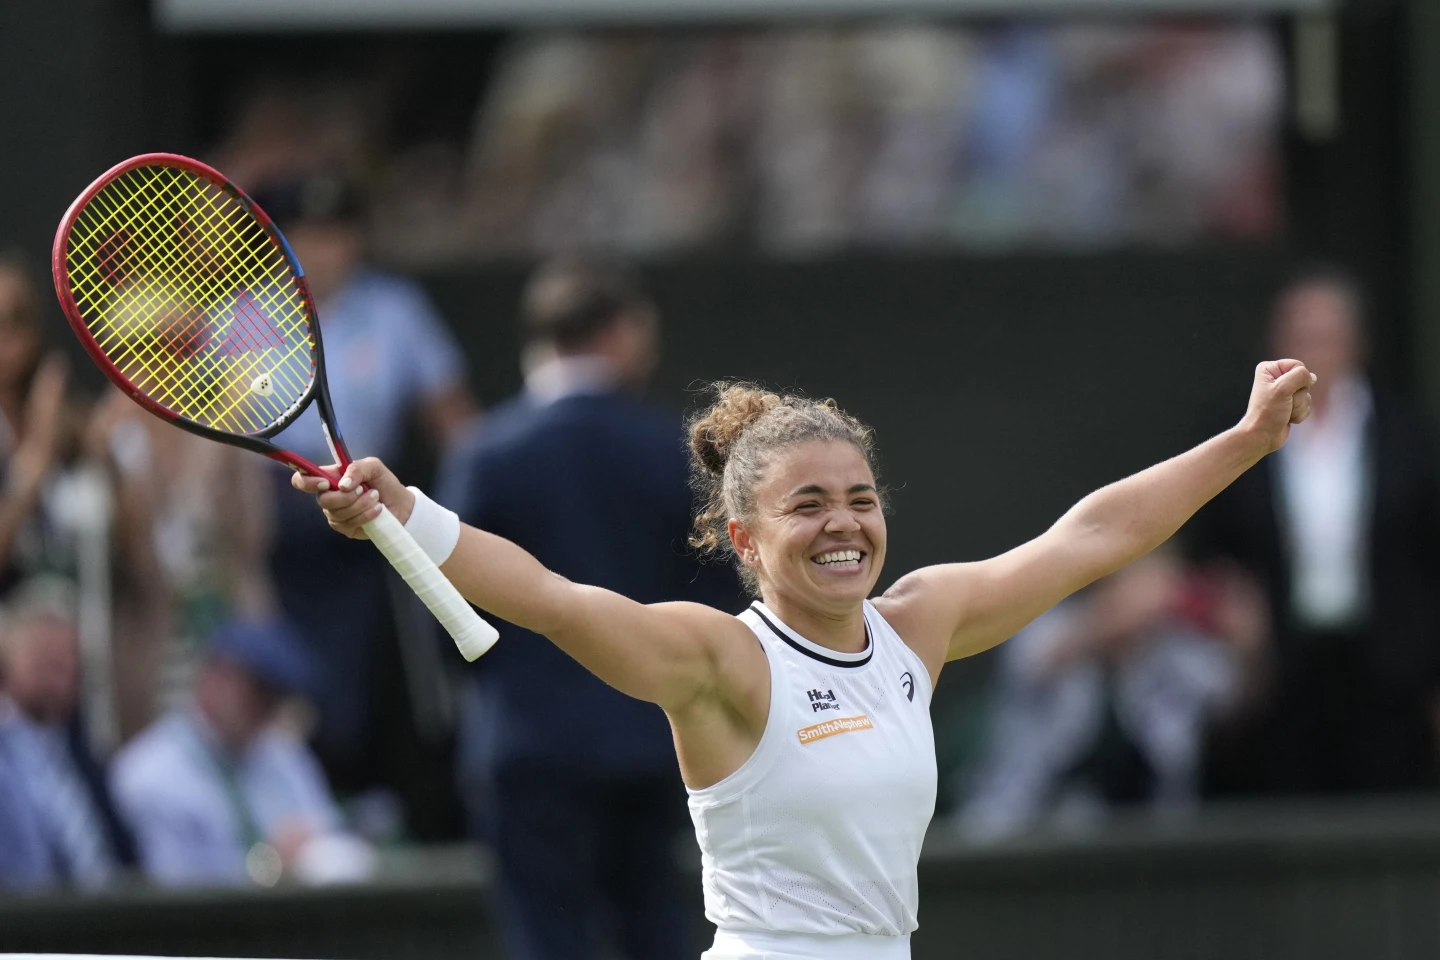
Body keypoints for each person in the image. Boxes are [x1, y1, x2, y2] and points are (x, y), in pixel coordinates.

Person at [294, 355, 1314, 959]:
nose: (844, 526)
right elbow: (556, 602)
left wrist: (1245, 440)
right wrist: (405, 514)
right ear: (744, 540)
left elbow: (1089, 539)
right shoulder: (721, 662)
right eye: (809, 505)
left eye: (861, 500)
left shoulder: (920, 625)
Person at [438, 257, 741, 960]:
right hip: (652, 739)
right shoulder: (671, 451)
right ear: (621, 333)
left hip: (528, 749)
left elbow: (443, 608)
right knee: (656, 932)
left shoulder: (484, 453)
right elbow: (722, 599)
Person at [247, 175, 479, 813]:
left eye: (336, 233)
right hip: (274, 526)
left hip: (369, 513)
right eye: (306, 235)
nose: (322, 250)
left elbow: (455, 422)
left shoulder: (396, 308)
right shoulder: (240, 317)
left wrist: (475, 500)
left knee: (384, 676)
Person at [1189, 267, 1440, 795]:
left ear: (1358, 345)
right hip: (1275, 675)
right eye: (1300, 338)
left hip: (1387, 672)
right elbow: (1208, 549)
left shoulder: (1406, 438)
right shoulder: (1237, 440)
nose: (1314, 354)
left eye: (1328, 338)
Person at [959, 550, 1266, 840]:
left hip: (1144, 846)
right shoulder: (1047, 627)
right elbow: (1042, 661)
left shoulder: (1173, 653)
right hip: (1022, 831)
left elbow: (1237, 700)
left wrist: (1248, 646)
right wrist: (1116, 620)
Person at [110, 618, 371, 887]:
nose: (266, 706)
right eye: (257, 689)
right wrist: (270, 866)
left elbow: (330, 835)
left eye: (275, 694)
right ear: (213, 676)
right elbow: (173, 891)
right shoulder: (148, 773)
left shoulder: (286, 757)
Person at [0, 576, 132, 889]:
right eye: (44, 650)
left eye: (68, 655)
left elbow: (122, 853)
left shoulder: (85, 755)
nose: (58, 666)